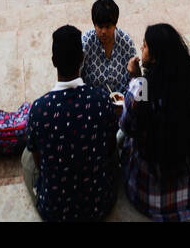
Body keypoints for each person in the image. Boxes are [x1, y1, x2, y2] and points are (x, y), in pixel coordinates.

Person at [23, 25, 119, 223]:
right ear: (82, 58)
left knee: (27, 155)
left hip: (55, 211)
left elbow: (40, 162)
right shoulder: (102, 100)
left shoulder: (40, 109)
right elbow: (110, 150)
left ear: (53, 61)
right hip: (99, 204)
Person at [119, 23, 190, 223]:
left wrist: (136, 77)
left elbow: (127, 126)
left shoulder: (140, 89)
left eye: (144, 46)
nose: (141, 49)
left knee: (121, 139)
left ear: (153, 57)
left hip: (148, 197)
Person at [81, 0, 136, 97]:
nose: (104, 32)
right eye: (100, 27)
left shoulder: (126, 42)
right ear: (94, 24)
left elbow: (134, 80)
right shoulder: (86, 42)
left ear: (115, 25)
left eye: (108, 27)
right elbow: (77, 76)